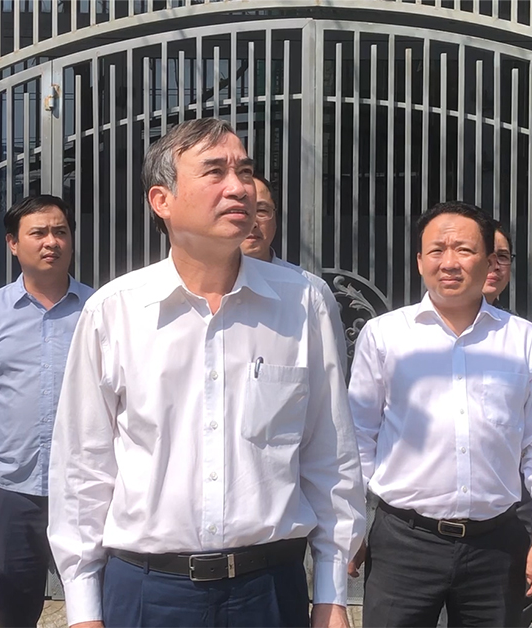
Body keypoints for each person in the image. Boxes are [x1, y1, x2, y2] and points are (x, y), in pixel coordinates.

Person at [47, 118, 366, 628]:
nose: (238, 187)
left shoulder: (303, 303)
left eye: (245, 171)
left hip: (269, 591)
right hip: (148, 591)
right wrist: (83, 610)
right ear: (162, 200)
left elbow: (330, 458)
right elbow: (82, 471)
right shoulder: (115, 310)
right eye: (215, 172)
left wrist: (332, 594)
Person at [348, 201, 532, 627]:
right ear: (419, 261)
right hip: (404, 543)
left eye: (464, 250)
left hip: (496, 545)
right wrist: (351, 524)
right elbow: (358, 437)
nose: (449, 262)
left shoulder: (523, 340)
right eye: (436, 250)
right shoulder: (385, 335)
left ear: (488, 261)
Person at [0, 194, 94, 628]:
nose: (51, 241)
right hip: (11, 490)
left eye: (60, 231)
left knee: (99, 604)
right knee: (14, 608)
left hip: (88, 487)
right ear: (13, 243)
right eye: (38, 232)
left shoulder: (99, 309)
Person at [481, 221, 532, 628]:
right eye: (484, 255)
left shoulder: (522, 337)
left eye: (502, 256)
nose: (493, 265)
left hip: (512, 506)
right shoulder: (405, 337)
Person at [240, 174, 348, 368]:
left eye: (262, 210)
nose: (253, 222)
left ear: (275, 218)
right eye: (242, 210)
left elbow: (332, 374)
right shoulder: (199, 291)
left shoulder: (311, 291)